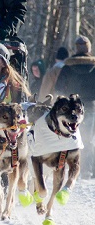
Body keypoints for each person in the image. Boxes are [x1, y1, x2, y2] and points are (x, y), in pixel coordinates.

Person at [55, 35, 95, 178]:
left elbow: (59, 88)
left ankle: (68, 166)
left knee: (68, 136)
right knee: (88, 138)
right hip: (90, 106)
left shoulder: (67, 67)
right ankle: (86, 169)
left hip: (71, 109)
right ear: (89, 48)